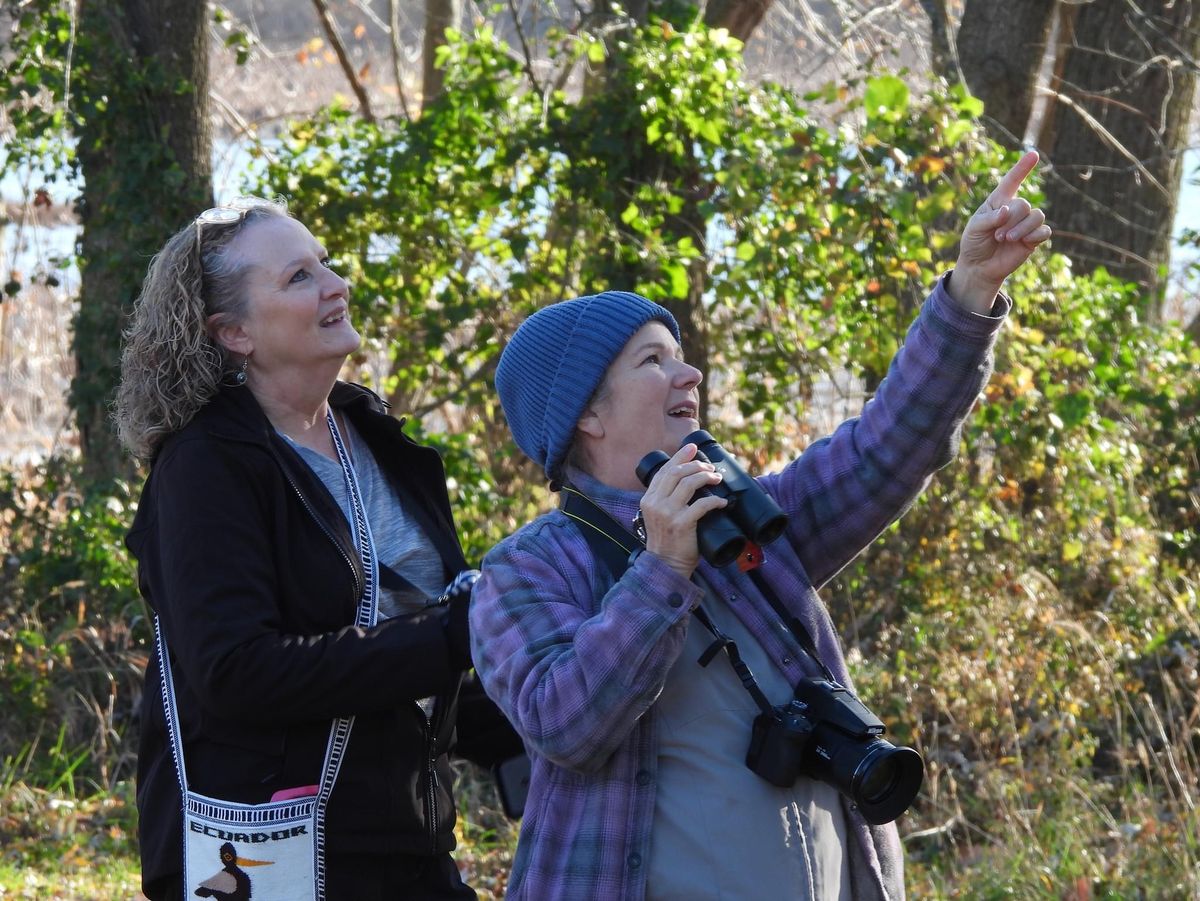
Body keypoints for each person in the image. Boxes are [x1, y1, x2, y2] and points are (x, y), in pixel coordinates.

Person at [468, 151, 1051, 900]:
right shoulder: (523, 571)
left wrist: (972, 289)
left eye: (681, 358)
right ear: (586, 412)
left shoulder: (745, 518)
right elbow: (566, 724)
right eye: (654, 361)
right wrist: (662, 568)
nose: (690, 376)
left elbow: (887, 448)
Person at [116, 197, 520, 900]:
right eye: (300, 277)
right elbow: (237, 672)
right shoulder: (205, 467)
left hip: (410, 843)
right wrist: (454, 634)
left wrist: (517, 738)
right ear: (234, 332)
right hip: (275, 864)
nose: (337, 285)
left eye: (325, 265)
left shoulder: (380, 438)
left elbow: (409, 642)